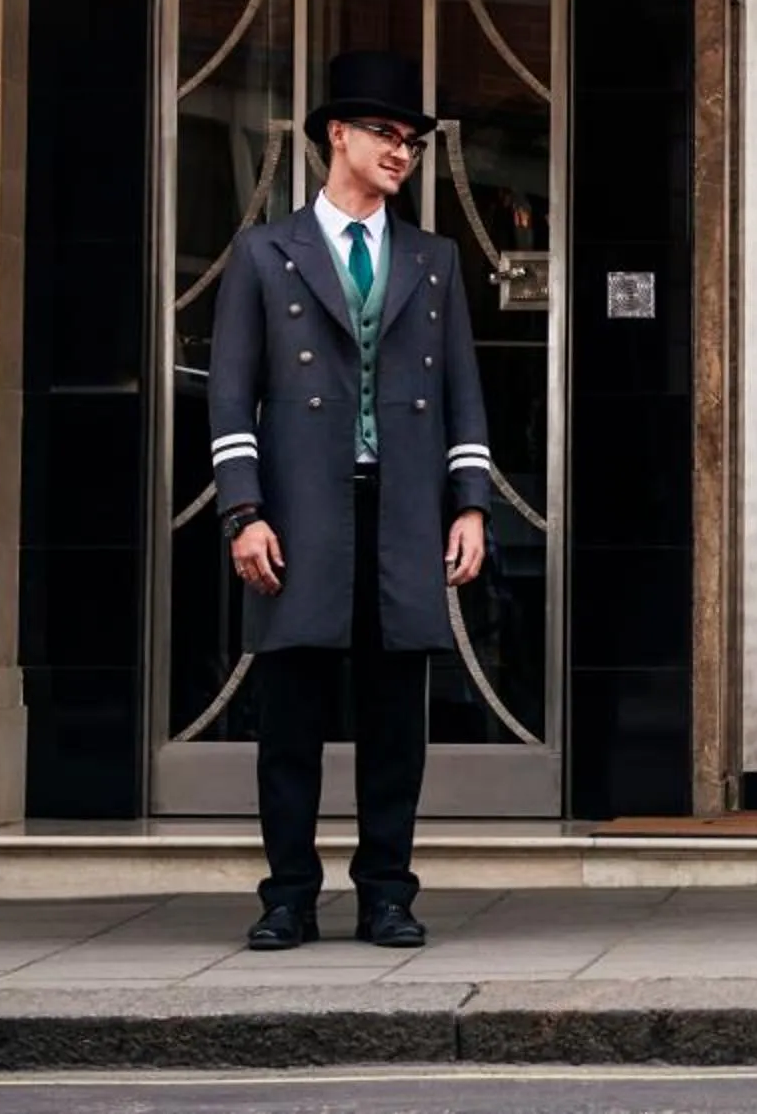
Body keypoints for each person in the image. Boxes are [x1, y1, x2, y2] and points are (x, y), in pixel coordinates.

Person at [207, 50, 495, 952]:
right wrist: (243, 512)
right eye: (384, 133)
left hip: (403, 510)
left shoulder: (435, 259)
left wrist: (471, 502)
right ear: (338, 135)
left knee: (393, 723)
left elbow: (461, 393)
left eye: (411, 140)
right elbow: (229, 393)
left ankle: (387, 897)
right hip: (299, 514)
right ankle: (287, 896)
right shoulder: (265, 251)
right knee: (289, 718)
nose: (401, 151)